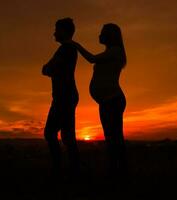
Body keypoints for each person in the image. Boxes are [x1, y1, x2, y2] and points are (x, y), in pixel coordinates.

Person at [71, 23, 127, 178]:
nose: (99, 35)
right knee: (112, 138)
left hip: (112, 100)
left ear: (110, 36)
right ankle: (117, 172)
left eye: (102, 33)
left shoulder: (115, 51)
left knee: (114, 138)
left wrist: (75, 44)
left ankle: (118, 173)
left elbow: (91, 59)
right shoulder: (111, 52)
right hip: (107, 101)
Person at [42, 18, 80, 178]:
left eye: (57, 30)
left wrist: (50, 68)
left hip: (64, 96)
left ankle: (61, 169)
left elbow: (47, 69)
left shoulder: (66, 49)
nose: (54, 33)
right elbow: (47, 69)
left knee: (51, 133)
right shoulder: (68, 49)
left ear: (64, 31)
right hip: (65, 95)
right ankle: (72, 170)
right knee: (67, 136)